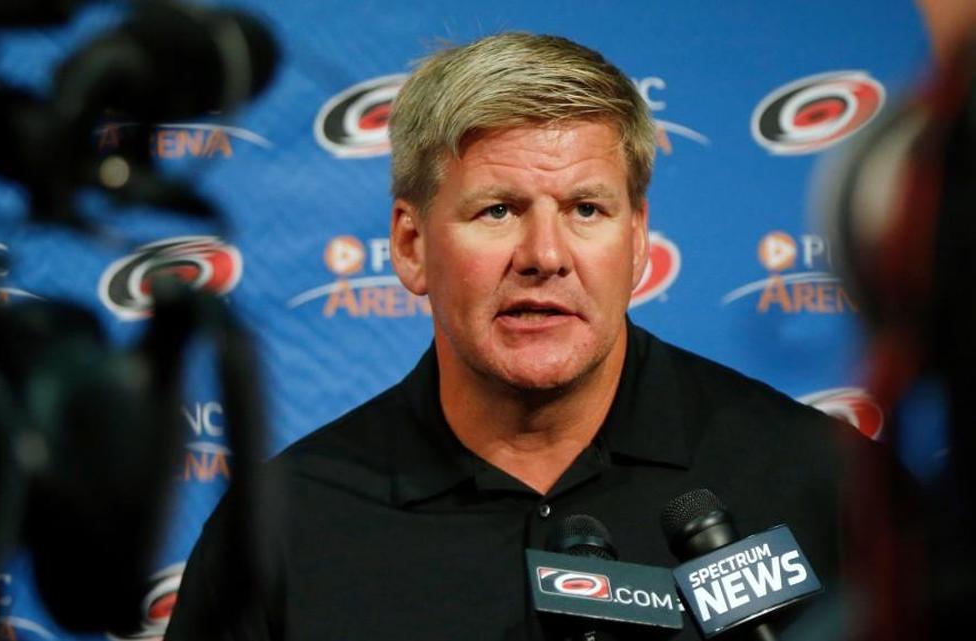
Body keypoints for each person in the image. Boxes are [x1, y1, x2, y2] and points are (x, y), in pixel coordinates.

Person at [165, 32, 914, 641]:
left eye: (586, 208)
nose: (545, 255)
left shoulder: (829, 488)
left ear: (639, 239)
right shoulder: (283, 530)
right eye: (497, 210)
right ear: (410, 244)